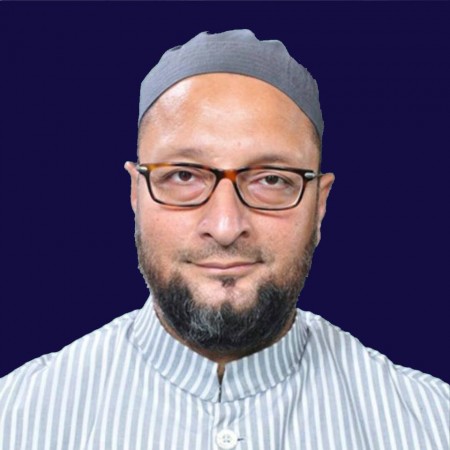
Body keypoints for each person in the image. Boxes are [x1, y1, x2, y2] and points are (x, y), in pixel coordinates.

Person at [0, 29, 448, 450]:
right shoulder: (15, 420)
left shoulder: (432, 425)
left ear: (320, 203)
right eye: (183, 175)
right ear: (136, 194)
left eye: (271, 179)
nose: (226, 225)